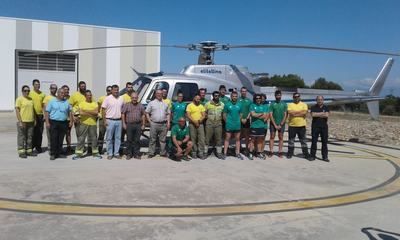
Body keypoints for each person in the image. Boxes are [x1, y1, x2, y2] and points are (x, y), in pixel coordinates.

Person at [45, 88, 73, 160]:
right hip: (54, 122)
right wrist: (47, 122)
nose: (63, 94)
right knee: (54, 138)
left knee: (61, 138)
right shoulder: (52, 101)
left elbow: (70, 112)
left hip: (63, 122)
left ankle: (59, 153)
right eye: (61, 93)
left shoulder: (66, 102)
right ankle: (53, 154)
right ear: (58, 93)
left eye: (64, 93)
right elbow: (47, 112)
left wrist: (70, 121)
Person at [73, 90, 102, 160]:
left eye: (90, 95)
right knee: (81, 138)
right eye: (88, 95)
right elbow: (81, 113)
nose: (89, 96)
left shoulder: (95, 103)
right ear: (85, 96)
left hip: (93, 124)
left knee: (94, 139)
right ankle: (79, 154)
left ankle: (95, 153)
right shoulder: (82, 103)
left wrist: (86, 111)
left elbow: (96, 112)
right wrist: (91, 112)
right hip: (83, 123)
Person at [145, 89, 170, 158]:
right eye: (157, 93)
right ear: (155, 94)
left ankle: (163, 153)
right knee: (152, 139)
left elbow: (168, 114)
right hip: (154, 124)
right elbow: (146, 112)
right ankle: (151, 153)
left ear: (163, 94)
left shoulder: (165, 103)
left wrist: (168, 123)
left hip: (163, 124)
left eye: (160, 93)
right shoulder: (151, 103)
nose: (159, 95)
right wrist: (150, 121)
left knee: (163, 140)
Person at [102, 85, 124, 160]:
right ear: (111, 91)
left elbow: (123, 109)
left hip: (119, 120)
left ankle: (116, 153)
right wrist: (104, 121)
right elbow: (103, 110)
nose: (116, 91)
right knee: (109, 138)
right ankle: (110, 153)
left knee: (118, 138)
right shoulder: (107, 98)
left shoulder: (121, 98)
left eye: (117, 90)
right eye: (114, 90)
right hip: (110, 120)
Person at [121, 92, 146, 160]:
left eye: (135, 98)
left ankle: (136, 154)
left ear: (137, 98)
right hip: (129, 124)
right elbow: (123, 114)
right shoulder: (127, 105)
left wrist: (143, 124)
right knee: (129, 140)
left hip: (138, 125)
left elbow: (143, 115)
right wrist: (123, 123)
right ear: (131, 98)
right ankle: (129, 154)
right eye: (133, 98)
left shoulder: (140, 105)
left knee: (137, 140)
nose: (134, 99)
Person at [287, 92, 310, 160]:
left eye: (297, 97)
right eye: (295, 97)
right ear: (293, 98)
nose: (296, 98)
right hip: (292, 126)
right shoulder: (290, 104)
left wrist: (295, 113)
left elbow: (304, 113)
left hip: (301, 126)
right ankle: (290, 153)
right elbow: (291, 113)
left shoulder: (304, 104)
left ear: (299, 97)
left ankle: (306, 154)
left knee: (303, 141)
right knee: (291, 141)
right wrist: (299, 113)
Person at [15, 85, 36, 158]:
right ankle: (21, 151)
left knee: (29, 137)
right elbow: (17, 111)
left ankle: (29, 150)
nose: (27, 92)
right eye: (25, 90)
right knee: (22, 137)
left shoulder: (31, 99)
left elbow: (33, 110)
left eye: (28, 91)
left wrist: (35, 119)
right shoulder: (19, 99)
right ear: (22, 91)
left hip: (31, 121)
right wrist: (20, 121)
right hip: (23, 121)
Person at [248, 94, 269, 160]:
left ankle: (259, 153)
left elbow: (265, 116)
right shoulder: (252, 105)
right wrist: (260, 114)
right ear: (255, 99)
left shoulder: (263, 106)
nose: (258, 99)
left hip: (261, 126)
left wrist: (257, 115)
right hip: (254, 126)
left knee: (260, 141)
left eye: (259, 98)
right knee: (252, 140)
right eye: (257, 98)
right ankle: (250, 153)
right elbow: (252, 114)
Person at [223, 91, 243, 160]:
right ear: (231, 97)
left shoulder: (240, 104)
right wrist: (227, 121)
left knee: (237, 139)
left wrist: (238, 121)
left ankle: (237, 153)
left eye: (236, 96)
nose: (234, 97)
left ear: (237, 97)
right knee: (227, 139)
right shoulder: (227, 104)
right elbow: (224, 114)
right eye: (233, 96)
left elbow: (241, 114)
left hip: (237, 125)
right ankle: (225, 153)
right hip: (229, 125)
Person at [204, 91, 224, 159]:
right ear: (213, 96)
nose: (217, 97)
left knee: (219, 139)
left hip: (218, 123)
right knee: (207, 139)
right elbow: (204, 113)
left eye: (218, 95)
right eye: (215, 95)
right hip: (209, 123)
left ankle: (219, 153)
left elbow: (223, 114)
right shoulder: (207, 104)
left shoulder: (222, 104)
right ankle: (205, 152)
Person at [310, 96, 330, 162]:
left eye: (321, 99)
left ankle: (325, 157)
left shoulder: (326, 107)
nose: (320, 101)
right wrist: (322, 113)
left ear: (323, 100)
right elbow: (313, 115)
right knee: (314, 142)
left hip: (324, 127)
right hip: (315, 127)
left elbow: (327, 115)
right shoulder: (313, 107)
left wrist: (317, 114)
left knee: (324, 142)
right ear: (316, 100)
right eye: (318, 99)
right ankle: (312, 156)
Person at [186, 95, 206, 159]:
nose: (198, 100)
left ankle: (200, 153)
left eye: (199, 99)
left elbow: (204, 115)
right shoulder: (189, 105)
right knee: (193, 138)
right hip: (192, 124)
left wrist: (200, 120)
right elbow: (188, 115)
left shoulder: (201, 106)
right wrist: (194, 122)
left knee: (201, 139)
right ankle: (194, 152)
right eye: (197, 98)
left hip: (200, 124)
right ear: (194, 98)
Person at [269, 90, 288, 158]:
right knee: (272, 137)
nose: (278, 96)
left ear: (281, 95)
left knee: (281, 137)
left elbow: (285, 115)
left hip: (281, 124)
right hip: (273, 123)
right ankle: (271, 151)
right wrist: (275, 125)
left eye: (279, 95)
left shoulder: (284, 104)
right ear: (275, 96)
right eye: (277, 95)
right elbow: (270, 115)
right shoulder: (272, 104)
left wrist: (281, 124)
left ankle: (280, 152)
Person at [29, 79, 46, 153]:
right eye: (36, 84)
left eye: (38, 84)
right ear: (33, 85)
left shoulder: (42, 94)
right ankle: (31, 146)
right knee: (32, 132)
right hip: (32, 115)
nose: (37, 85)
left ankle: (38, 146)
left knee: (40, 132)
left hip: (40, 115)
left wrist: (44, 114)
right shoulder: (30, 93)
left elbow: (43, 105)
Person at [42, 84, 57, 153]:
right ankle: (50, 147)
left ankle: (55, 147)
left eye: (55, 88)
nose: (54, 89)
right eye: (53, 88)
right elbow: (45, 108)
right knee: (50, 134)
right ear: (50, 89)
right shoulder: (47, 97)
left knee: (55, 134)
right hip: (50, 118)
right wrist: (46, 118)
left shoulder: (57, 97)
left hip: (56, 118)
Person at [97, 86, 112, 154]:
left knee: (110, 135)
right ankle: (99, 149)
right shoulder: (102, 98)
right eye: (108, 90)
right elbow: (98, 107)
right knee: (101, 134)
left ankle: (110, 149)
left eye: (111, 90)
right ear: (106, 91)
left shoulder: (114, 98)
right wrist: (99, 115)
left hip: (110, 119)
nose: (110, 92)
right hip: (102, 119)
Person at [238, 87, 252, 155]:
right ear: (240, 92)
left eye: (245, 91)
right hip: (239, 120)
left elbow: (250, 111)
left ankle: (246, 149)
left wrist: (246, 118)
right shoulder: (237, 100)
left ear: (246, 92)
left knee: (247, 136)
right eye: (242, 91)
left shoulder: (249, 100)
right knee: (239, 136)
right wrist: (241, 119)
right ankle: (239, 148)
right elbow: (236, 111)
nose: (243, 92)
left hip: (247, 120)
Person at [62, 85, 73, 153]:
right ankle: (59, 147)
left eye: (67, 89)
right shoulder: (60, 98)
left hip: (68, 119)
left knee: (68, 133)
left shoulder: (70, 98)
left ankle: (69, 147)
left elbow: (71, 110)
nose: (67, 91)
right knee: (61, 134)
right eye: (65, 89)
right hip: (61, 119)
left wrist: (71, 121)